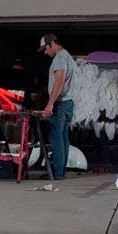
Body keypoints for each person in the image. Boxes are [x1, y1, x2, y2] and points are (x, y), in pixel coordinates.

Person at [39, 33, 76, 180]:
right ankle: (60, 172)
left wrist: (50, 104)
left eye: (46, 49)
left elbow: (59, 81)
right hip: (68, 103)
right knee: (62, 137)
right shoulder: (68, 57)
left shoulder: (60, 57)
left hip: (60, 104)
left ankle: (56, 173)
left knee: (56, 137)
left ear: (52, 44)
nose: (46, 53)